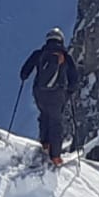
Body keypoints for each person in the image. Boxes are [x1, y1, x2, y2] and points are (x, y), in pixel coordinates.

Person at [19, 28, 79, 166]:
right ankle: (56, 156)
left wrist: (24, 77)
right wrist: (69, 92)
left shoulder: (39, 54)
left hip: (39, 93)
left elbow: (24, 71)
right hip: (57, 94)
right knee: (56, 122)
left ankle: (45, 144)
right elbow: (74, 79)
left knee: (44, 115)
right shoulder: (65, 56)